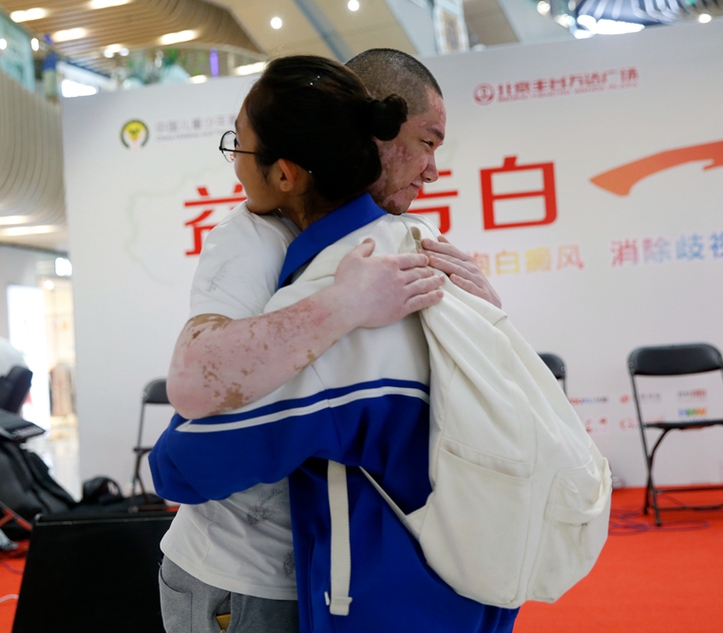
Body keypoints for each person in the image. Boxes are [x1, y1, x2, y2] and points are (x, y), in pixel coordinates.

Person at [150, 55, 518, 633]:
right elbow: (196, 405)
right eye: (426, 142)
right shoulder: (255, 240)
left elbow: (179, 462)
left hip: (340, 571)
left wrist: (490, 318)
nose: (431, 169)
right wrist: (343, 304)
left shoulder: (403, 245)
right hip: (247, 573)